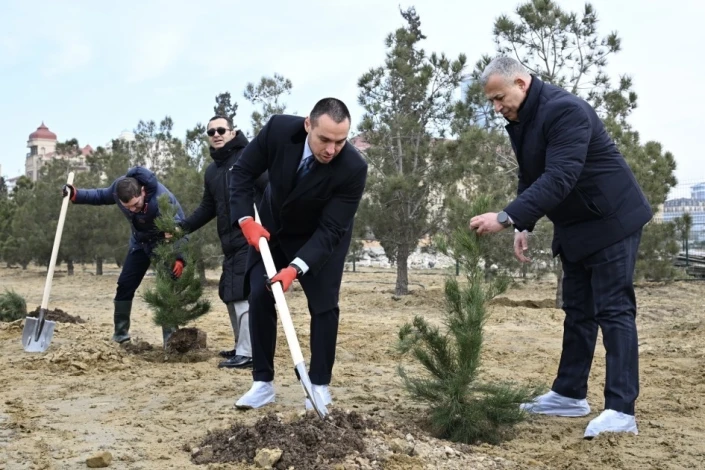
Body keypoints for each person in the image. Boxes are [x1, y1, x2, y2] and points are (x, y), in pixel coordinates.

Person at [468, 56, 652, 439]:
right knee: (578, 310)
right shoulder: (520, 121)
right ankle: (569, 395)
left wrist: (503, 217)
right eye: (492, 102)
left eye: (500, 98)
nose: (497, 107)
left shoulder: (565, 110)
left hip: (611, 219)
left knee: (614, 310)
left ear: (521, 82)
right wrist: (523, 223)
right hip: (577, 225)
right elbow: (529, 174)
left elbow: (560, 177)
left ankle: (621, 410)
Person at [228, 97, 367, 410]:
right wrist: (245, 220)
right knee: (260, 295)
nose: (331, 150)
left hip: (322, 236)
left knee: (324, 306)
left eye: (340, 141)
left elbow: (331, 229)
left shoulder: (354, 168)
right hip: (273, 226)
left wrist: (296, 268)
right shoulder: (279, 130)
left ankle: (318, 387)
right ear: (308, 125)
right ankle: (262, 383)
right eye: (324, 139)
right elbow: (241, 172)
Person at [176, 115, 268, 369]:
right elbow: (208, 207)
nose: (216, 134)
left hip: (250, 239)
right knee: (229, 293)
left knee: (242, 294)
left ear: (232, 132)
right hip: (228, 242)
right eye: (211, 132)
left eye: (221, 130)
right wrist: (182, 227)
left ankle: (249, 353)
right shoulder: (213, 171)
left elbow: (270, 188)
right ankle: (241, 346)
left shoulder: (249, 158)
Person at [62, 166, 188, 346]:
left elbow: (181, 228)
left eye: (136, 205)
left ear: (143, 191)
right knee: (125, 285)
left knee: (166, 288)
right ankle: (120, 336)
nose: (133, 210)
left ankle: (170, 340)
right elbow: (100, 195)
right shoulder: (118, 188)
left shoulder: (163, 199)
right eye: (127, 207)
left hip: (164, 245)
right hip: (140, 243)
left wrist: (179, 257)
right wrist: (76, 194)